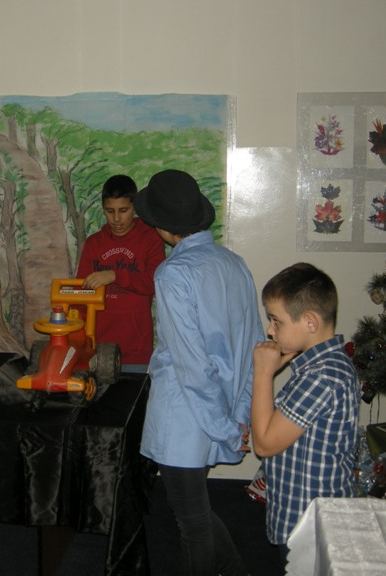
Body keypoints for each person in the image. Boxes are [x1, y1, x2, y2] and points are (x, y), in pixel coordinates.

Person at [134, 169, 264, 576]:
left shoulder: (173, 274)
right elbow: (253, 348)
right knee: (194, 509)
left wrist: (226, 427)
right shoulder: (234, 263)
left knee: (190, 520)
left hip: (185, 416)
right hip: (221, 409)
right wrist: (238, 415)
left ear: (161, 226)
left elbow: (191, 366)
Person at [251, 262, 360, 560]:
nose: (270, 330)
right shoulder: (320, 367)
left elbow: (264, 444)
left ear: (310, 322)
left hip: (311, 523)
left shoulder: (322, 376)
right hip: (304, 513)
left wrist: (263, 374)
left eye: (276, 321)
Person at [76, 174, 165, 366]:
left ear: (135, 208)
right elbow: (80, 297)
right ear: (103, 209)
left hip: (136, 348)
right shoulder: (93, 243)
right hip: (97, 348)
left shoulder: (150, 239)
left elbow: (153, 282)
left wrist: (114, 275)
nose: (116, 219)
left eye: (123, 210)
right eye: (110, 211)